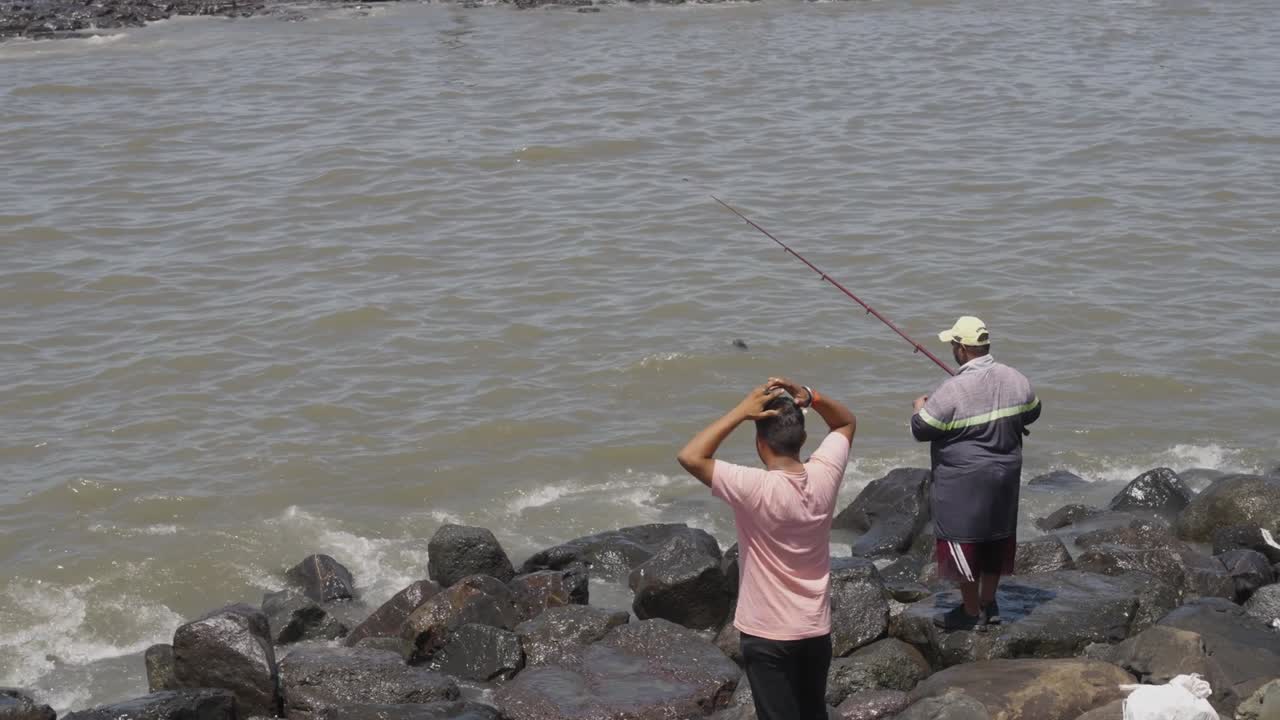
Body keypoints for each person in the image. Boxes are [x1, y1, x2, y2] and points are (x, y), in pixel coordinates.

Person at [677, 377, 856, 720]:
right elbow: (845, 422)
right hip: (814, 628)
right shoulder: (824, 475)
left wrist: (740, 412)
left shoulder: (754, 486)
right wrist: (812, 395)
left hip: (767, 633)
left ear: (761, 445)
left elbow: (690, 455)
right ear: (802, 439)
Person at [911, 316, 1041, 631]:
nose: (952, 350)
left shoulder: (952, 389)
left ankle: (970, 612)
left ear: (963, 349)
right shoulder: (1015, 378)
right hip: (1005, 475)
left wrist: (918, 406)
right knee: (996, 536)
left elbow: (922, 429)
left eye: (954, 345)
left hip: (963, 482)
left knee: (962, 541)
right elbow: (1033, 411)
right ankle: (989, 602)